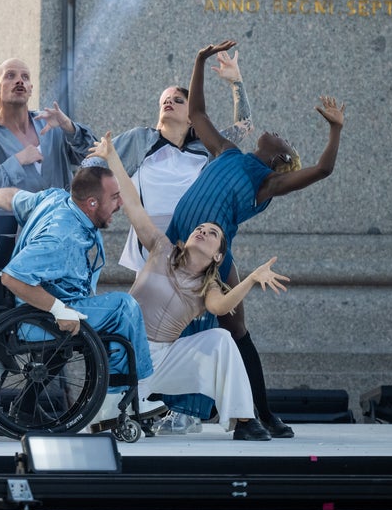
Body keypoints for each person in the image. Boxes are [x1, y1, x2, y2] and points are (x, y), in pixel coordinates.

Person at [165, 39, 346, 440]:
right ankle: (161, 407)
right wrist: (199, 60)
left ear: (281, 160)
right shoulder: (228, 152)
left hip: (212, 254)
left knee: (236, 329)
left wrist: (334, 130)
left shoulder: (267, 183)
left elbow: (322, 170)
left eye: (285, 140)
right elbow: (196, 112)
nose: (277, 132)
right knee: (157, 321)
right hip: (175, 244)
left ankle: (261, 413)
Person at [91, 133, 289, 440]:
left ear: (218, 255)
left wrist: (249, 279)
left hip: (164, 361)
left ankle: (244, 421)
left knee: (222, 340)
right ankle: (131, 408)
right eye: (200, 228)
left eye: (212, 233)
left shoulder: (206, 286)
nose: (203, 231)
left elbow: (221, 308)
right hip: (126, 353)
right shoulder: (161, 249)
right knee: (109, 423)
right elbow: (132, 203)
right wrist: (111, 156)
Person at [0, 168, 163, 431]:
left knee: (113, 315)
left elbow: (14, 198)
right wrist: (59, 310)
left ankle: (40, 406)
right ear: (91, 203)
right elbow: (13, 277)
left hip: (51, 308)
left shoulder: (56, 198)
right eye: (114, 198)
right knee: (124, 308)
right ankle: (125, 398)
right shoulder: (63, 236)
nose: (120, 204)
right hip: (38, 321)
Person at [114, 50, 250, 273]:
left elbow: (245, 125)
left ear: (191, 117)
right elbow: (97, 157)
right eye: (164, 101)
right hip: (149, 243)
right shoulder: (140, 139)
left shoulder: (204, 149)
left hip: (193, 242)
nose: (169, 102)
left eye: (178, 100)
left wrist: (236, 80)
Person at [0, 58, 96, 192]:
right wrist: (17, 161)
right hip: (15, 213)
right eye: (10, 75)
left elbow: (96, 156)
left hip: (61, 213)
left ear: (30, 89)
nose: (19, 80)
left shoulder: (52, 125)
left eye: (25, 77)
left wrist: (69, 127)